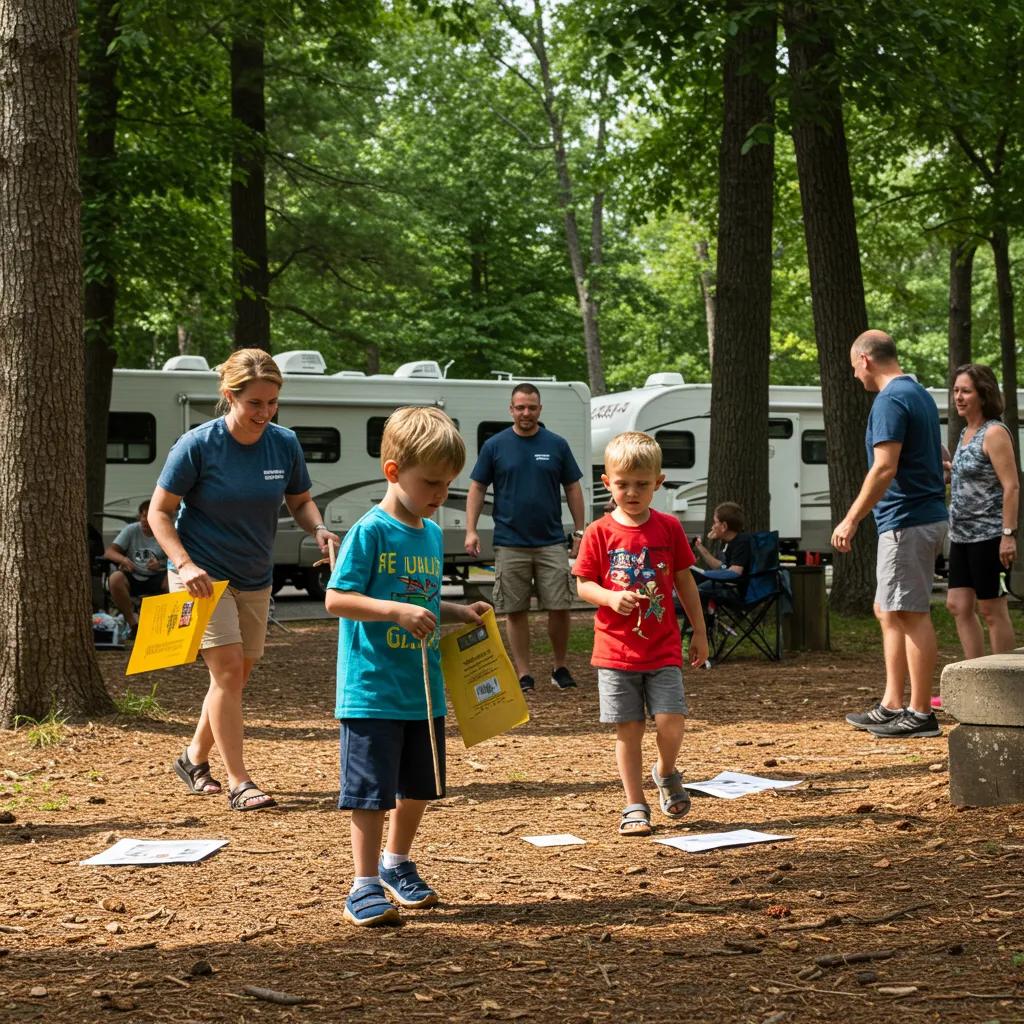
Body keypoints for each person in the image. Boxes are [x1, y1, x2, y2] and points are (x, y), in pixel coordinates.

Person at [149, 348, 338, 811]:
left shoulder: (284, 443)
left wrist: (318, 527)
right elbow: (160, 512)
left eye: (272, 402)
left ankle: (193, 758)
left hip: (255, 575)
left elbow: (300, 500)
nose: (265, 412)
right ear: (230, 396)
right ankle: (240, 782)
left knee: (235, 676)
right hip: (202, 578)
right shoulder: (198, 445)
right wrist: (184, 564)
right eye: (255, 403)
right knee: (229, 671)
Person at [325, 407, 489, 927]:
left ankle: (397, 863)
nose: (442, 495)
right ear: (394, 471)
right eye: (432, 483)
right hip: (372, 688)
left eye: (448, 484)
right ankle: (364, 883)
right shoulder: (370, 532)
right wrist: (393, 611)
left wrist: (459, 612)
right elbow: (336, 598)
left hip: (423, 689)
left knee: (420, 785)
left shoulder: (430, 534)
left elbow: (422, 600)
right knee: (370, 790)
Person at [574, 431, 708, 837]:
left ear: (658, 483)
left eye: (642, 484)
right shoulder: (599, 532)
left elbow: (685, 583)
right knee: (628, 730)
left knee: (672, 721)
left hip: (663, 647)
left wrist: (698, 632)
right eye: (622, 484)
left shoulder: (668, 528)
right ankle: (635, 803)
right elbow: (582, 584)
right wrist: (610, 599)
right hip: (616, 652)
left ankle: (666, 771)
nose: (632, 492)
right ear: (607, 483)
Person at [833, 330, 948, 739]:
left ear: (865, 359)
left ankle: (920, 713)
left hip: (907, 520)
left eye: (853, 368)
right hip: (917, 518)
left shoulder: (890, 399)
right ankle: (892, 703)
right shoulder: (917, 393)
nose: (854, 377)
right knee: (888, 609)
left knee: (909, 612)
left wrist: (851, 519)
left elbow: (884, 468)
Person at [464, 383, 586, 693]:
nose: (526, 413)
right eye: (520, 407)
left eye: (531, 407)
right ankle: (524, 673)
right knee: (514, 610)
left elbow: (573, 487)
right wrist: (471, 529)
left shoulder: (556, 445)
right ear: (511, 410)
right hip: (509, 542)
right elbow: (477, 488)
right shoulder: (495, 445)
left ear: (540, 409)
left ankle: (560, 667)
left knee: (560, 606)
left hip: (551, 542)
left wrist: (580, 530)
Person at [945, 363, 1018, 660]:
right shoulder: (966, 432)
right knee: (958, 604)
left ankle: (1009, 685)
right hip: (961, 536)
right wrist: (951, 471)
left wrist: (1008, 535)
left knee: (991, 608)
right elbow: (975, 475)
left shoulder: (994, 432)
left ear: (983, 394)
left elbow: (1011, 486)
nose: (959, 397)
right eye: (956, 391)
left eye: (966, 391)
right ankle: (975, 677)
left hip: (989, 537)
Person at [103, 500, 168, 638]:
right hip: (133, 574)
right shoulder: (131, 530)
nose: (145, 520)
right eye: (143, 516)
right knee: (115, 578)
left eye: (149, 517)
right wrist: (123, 559)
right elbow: (109, 552)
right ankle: (133, 625)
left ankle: (161, 626)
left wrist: (161, 564)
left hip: (157, 576)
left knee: (173, 581)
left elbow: (177, 558)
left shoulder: (166, 531)